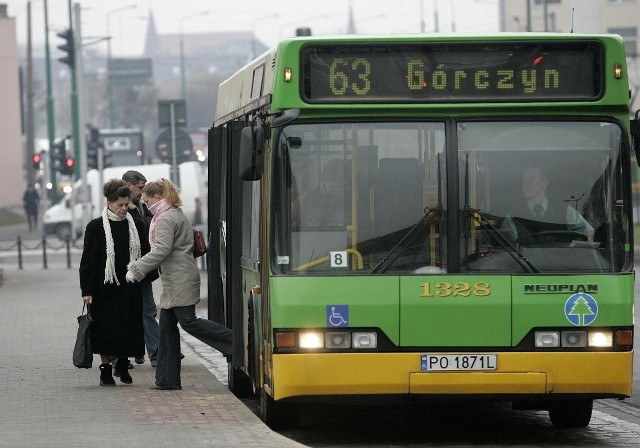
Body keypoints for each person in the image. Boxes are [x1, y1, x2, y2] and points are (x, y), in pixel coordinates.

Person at [126, 178, 232, 391]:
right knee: (166, 330)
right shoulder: (173, 213)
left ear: (157, 197)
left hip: (179, 279)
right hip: (176, 279)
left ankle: (234, 343)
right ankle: (167, 380)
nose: (146, 205)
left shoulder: (165, 219)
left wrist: (137, 268)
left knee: (189, 322)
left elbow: (161, 250)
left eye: (147, 201)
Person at [79, 179, 149, 386]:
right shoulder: (96, 227)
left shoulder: (137, 225)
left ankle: (123, 365)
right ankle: (106, 370)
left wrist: (143, 275)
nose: (124, 209)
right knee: (105, 330)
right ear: (109, 202)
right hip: (104, 288)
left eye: (127, 205)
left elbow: (146, 254)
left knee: (128, 327)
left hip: (130, 285)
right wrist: (87, 290)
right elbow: (88, 261)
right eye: (120, 205)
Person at [122, 170, 160, 368]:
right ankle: (123, 355)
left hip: (142, 269)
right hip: (125, 270)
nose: (142, 191)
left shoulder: (140, 206)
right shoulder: (122, 208)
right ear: (129, 185)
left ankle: (156, 353)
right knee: (127, 313)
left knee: (148, 311)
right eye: (140, 187)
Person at [503, 165, 594, 242]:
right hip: (525, 263)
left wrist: (574, 254)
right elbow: (508, 248)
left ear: (545, 183)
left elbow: (588, 232)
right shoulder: (512, 216)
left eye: (532, 178)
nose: (526, 183)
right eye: (524, 179)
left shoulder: (564, 210)